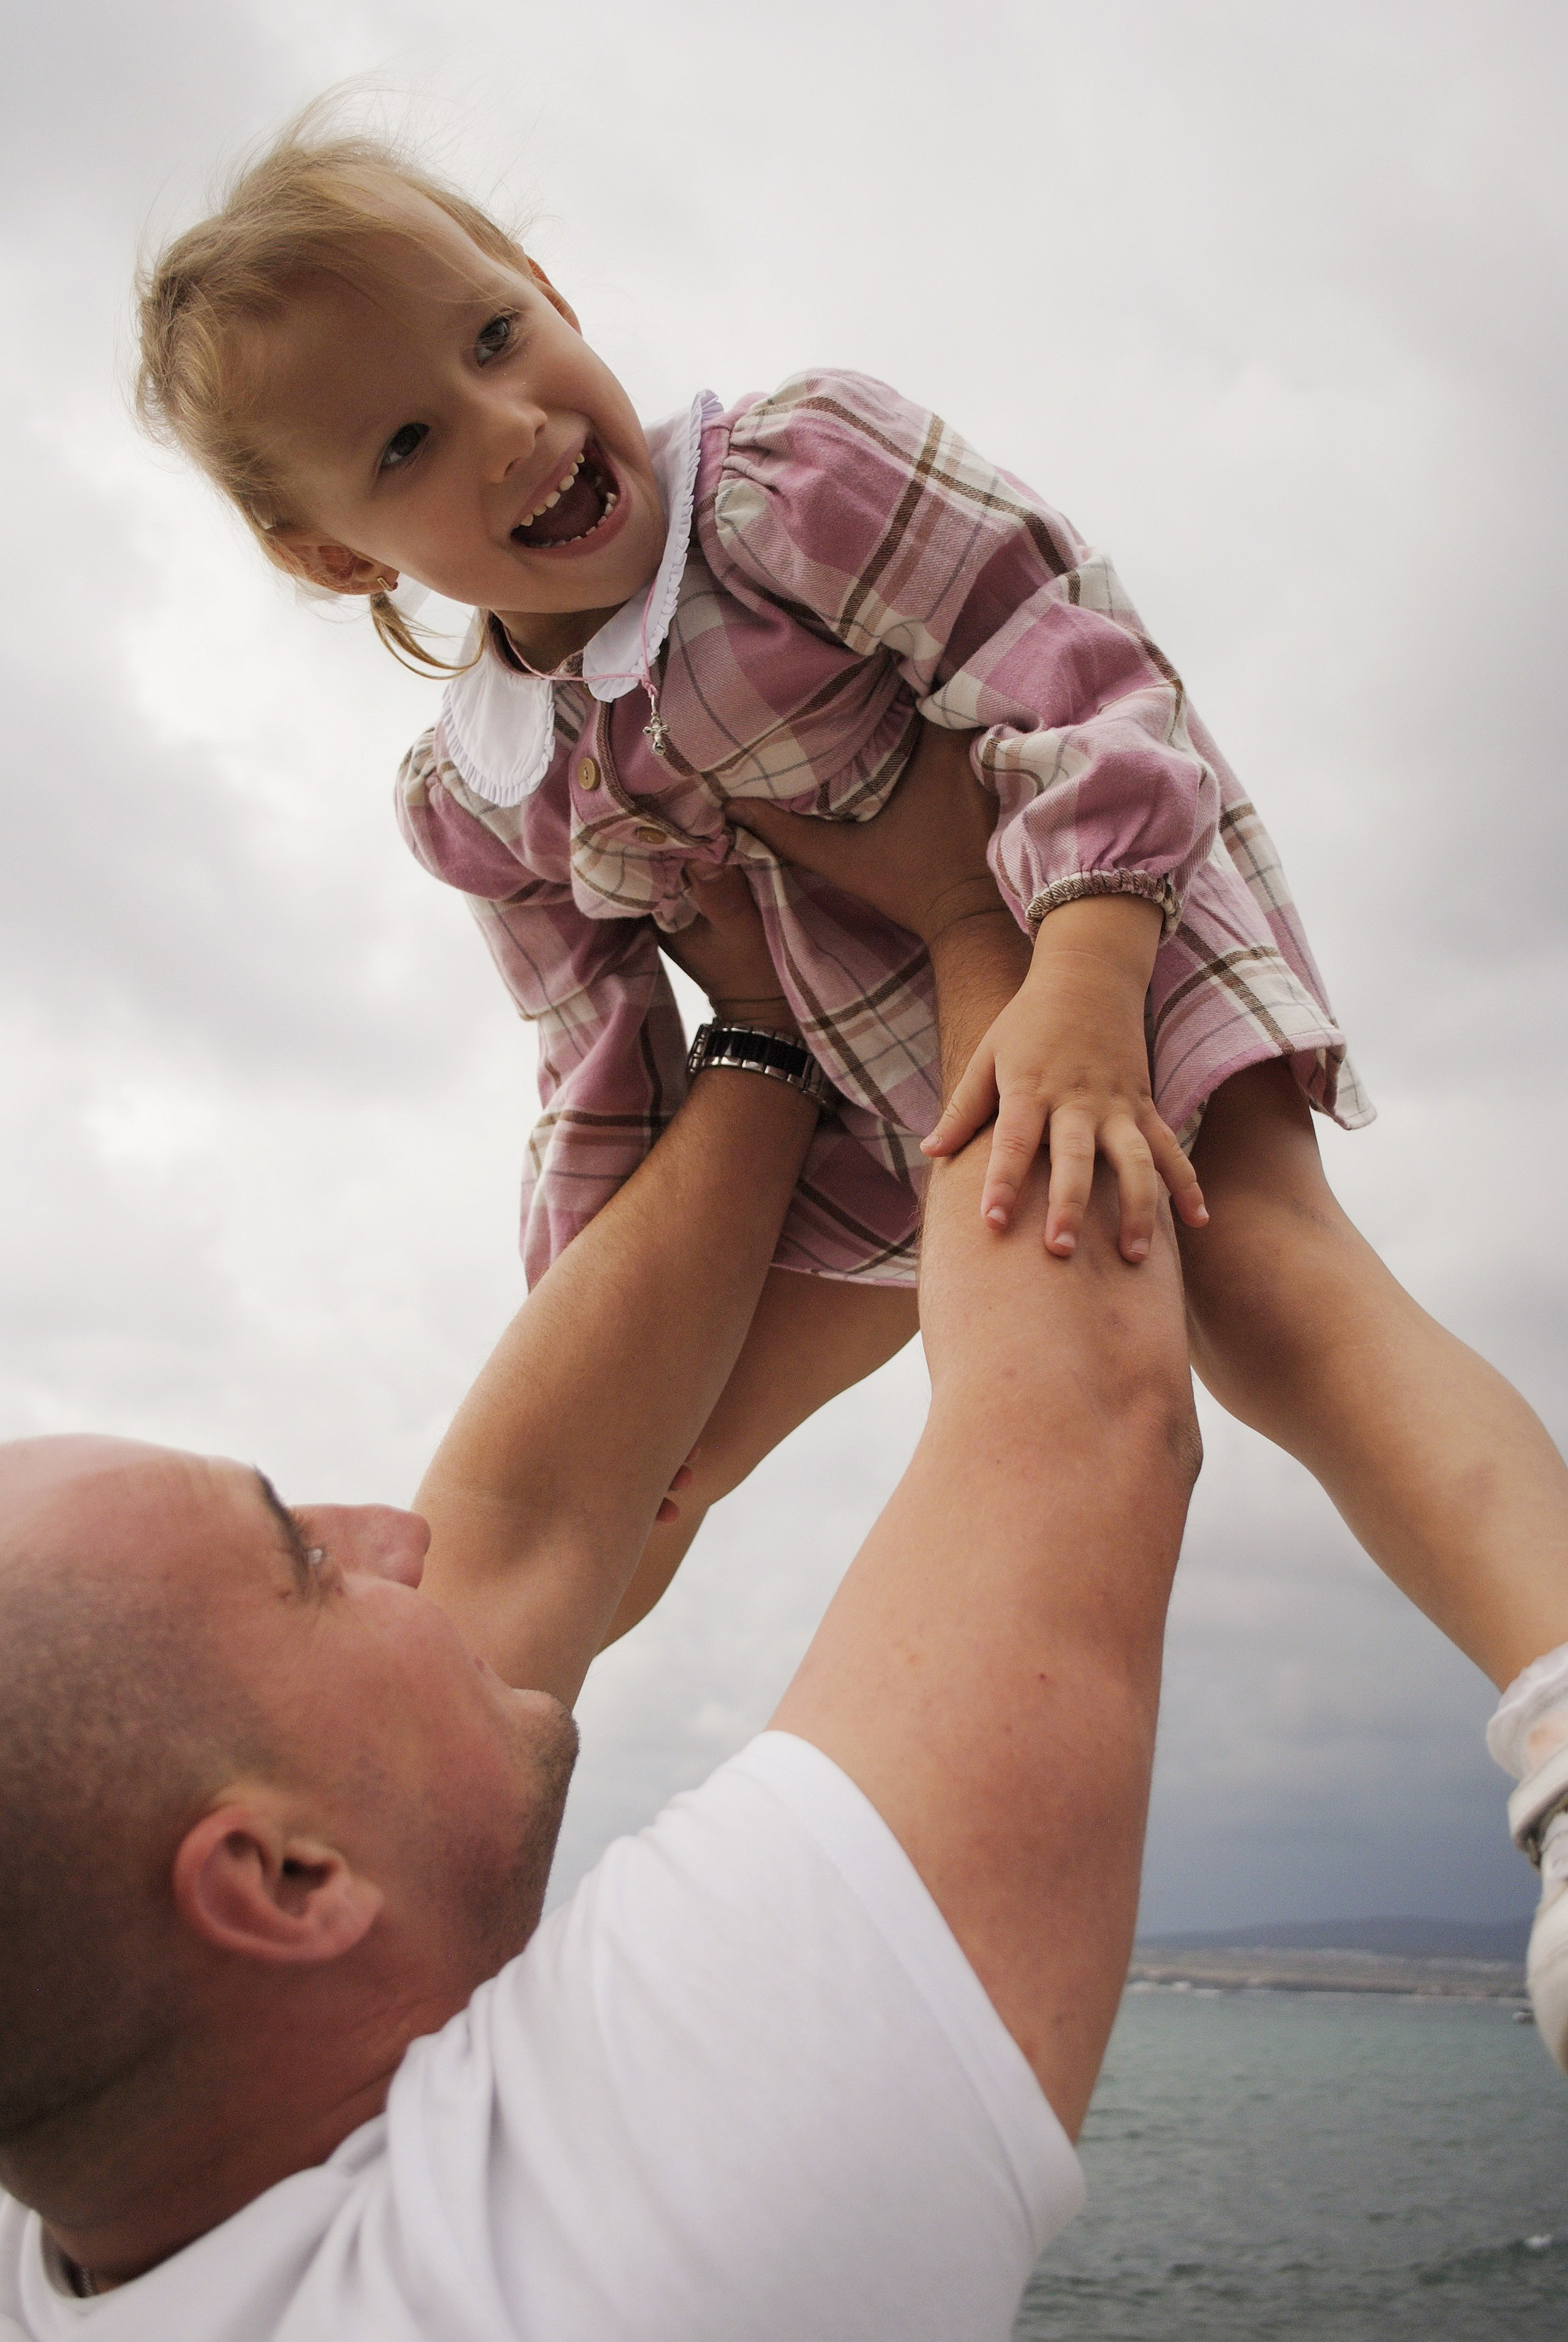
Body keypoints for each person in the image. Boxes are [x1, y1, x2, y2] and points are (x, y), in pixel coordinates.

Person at [130, 116, 1568, 2046]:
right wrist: (607, 1347)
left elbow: (1083, 679)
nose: (506, 428)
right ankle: (395, 1910)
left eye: (490, 339)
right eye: (402, 445)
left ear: (550, 293)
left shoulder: (796, 484)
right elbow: (600, 1069)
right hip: (840, 1088)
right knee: (637, 1481)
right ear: (332, 552)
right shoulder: (483, 793)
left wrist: (1080, 967)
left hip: (1088, 908)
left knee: (1268, 1286)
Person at [0, 799, 1200, 2336]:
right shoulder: (622, 2248)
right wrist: (978, 906)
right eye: (306, 1566)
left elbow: (534, 1520)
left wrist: (762, 1037)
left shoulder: (117, 2150)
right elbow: (1077, 1421)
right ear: (286, 1882)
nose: (398, 1537)